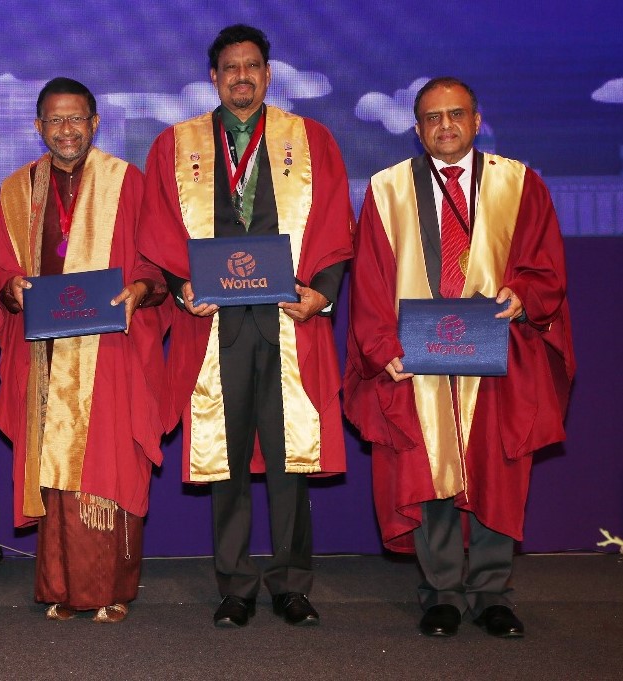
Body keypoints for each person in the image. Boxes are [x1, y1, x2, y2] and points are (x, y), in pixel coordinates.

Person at [344, 77, 575, 639]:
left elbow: (543, 265)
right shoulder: (387, 189)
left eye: (456, 115)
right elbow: (371, 279)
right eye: (432, 117)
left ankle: (492, 592)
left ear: (476, 120)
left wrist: (523, 295)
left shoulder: (520, 184)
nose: (445, 126)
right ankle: (443, 591)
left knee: (499, 467)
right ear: (417, 127)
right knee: (429, 468)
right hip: (418, 357)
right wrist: (381, 351)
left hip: (495, 350)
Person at [140, 24, 354, 628]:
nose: (241, 76)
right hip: (215, 330)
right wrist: (183, 288)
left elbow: (337, 225)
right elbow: (156, 229)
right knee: (223, 461)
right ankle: (235, 583)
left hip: (289, 323)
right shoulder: (175, 145)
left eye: (252, 66)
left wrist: (324, 296)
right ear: (213, 77)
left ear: (268, 73)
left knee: (290, 462)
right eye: (230, 67)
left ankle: (291, 583)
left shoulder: (310, 140)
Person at [0, 77, 168, 623]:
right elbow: (1, 267)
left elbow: (156, 263)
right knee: (55, 470)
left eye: (76, 119)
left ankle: (110, 589)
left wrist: (140, 290)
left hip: (109, 352)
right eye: (54, 120)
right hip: (46, 355)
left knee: (108, 466)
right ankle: (61, 588)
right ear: (38, 126)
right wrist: (11, 289)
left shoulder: (127, 182)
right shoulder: (17, 189)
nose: (66, 130)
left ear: (95, 123)